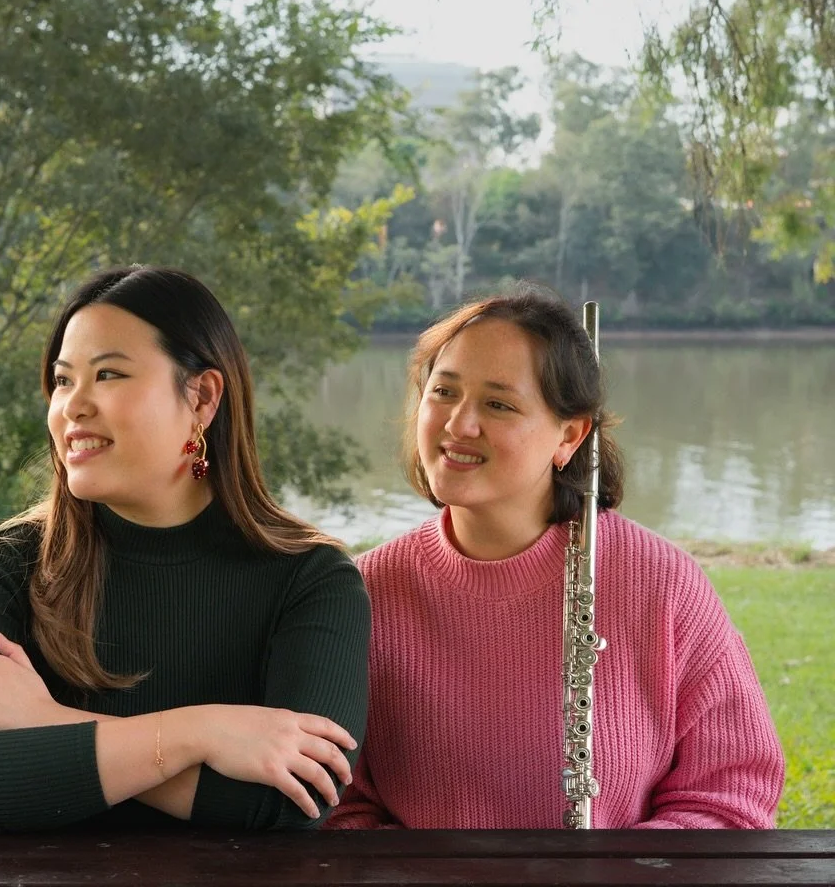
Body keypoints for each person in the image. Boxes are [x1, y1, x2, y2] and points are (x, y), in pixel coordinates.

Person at [0, 265, 371, 832]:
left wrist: (43, 722)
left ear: (202, 397)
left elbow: (289, 804)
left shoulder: (310, 578)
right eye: (62, 380)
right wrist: (199, 734)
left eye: (107, 374)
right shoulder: (6, 566)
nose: (72, 406)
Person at [328, 285, 785, 829]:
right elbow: (337, 805)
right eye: (443, 392)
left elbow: (730, 794)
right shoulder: (362, 590)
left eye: (498, 403)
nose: (458, 425)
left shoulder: (663, 584)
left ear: (569, 435)